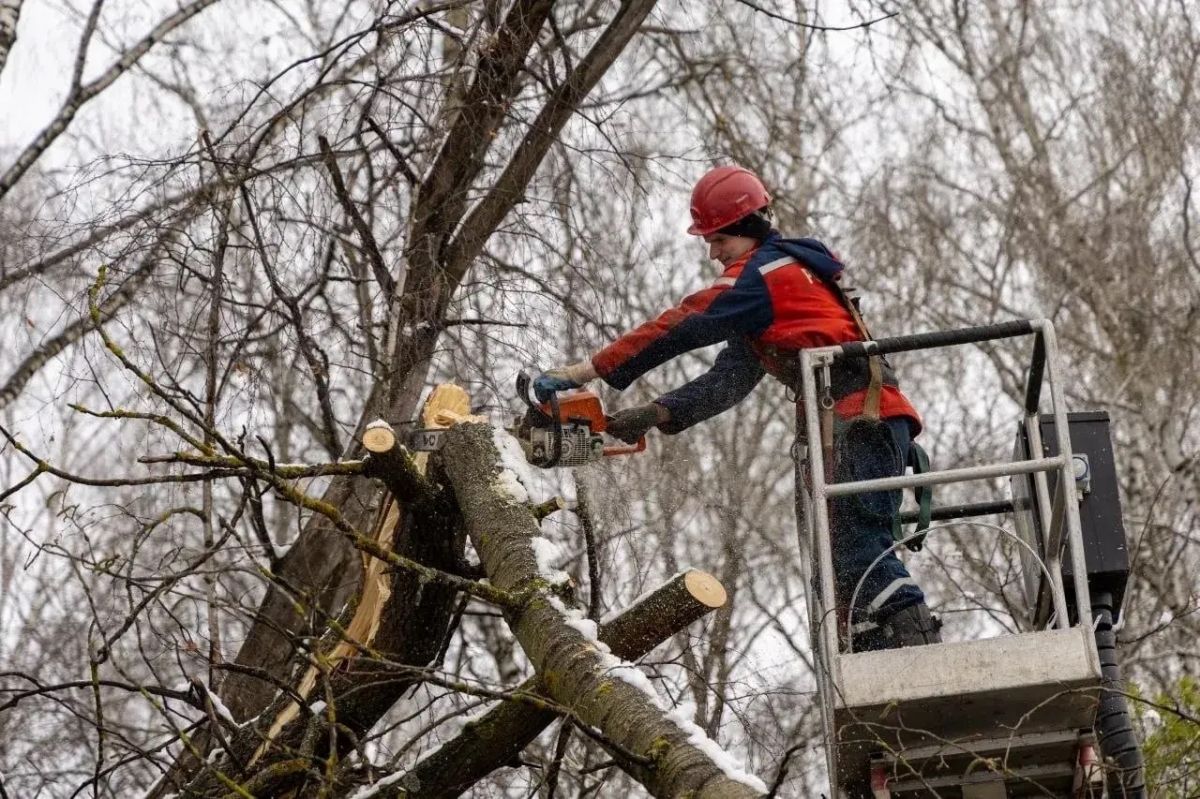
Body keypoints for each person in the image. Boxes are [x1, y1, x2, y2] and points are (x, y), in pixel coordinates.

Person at [533, 165, 940, 652]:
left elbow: (681, 326)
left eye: (717, 238)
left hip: (859, 421)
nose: (712, 251)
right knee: (844, 555)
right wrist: (657, 414)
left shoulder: (764, 277)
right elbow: (729, 380)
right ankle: (876, 647)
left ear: (745, 228)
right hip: (859, 423)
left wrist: (587, 371)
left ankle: (911, 650)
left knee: (857, 549)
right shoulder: (781, 289)